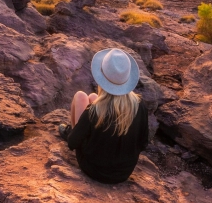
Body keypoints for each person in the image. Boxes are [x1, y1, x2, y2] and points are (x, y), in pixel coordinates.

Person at [58, 48, 149, 184]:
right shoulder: (139, 106)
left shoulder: (94, 111)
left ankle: (71, 130)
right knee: (94, 97)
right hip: (123, 173)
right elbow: (143, 144)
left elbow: (72, 144)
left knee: (80, 96)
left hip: (94, 169)